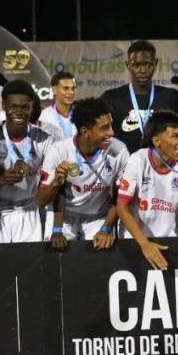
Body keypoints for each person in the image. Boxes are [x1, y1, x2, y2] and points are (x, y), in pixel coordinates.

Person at [117, 110, 178, 269]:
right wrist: (144, 244)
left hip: (167, 240)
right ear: (156, 141)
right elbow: (122, 207)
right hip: (134, 239)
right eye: (175, 136)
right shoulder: (138, 160)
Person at [37, 97, 128, 250]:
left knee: (100, 266)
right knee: (57, 266)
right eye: (104, 128)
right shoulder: (59, 151)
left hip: (98, 218)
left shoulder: (119, 151)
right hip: (63, 218)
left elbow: (120, 198)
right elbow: (40, 201)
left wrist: (106, 229)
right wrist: (56, 184)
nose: (111, 132)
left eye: (111, 126)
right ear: (85, 132)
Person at [0, 81, 53, 243]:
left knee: (29, 265)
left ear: (31, 107)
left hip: (27, 210)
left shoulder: (44, 139)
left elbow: (50, 183)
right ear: (4, 105)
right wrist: (0, 181)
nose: (19, 112)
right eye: (13, 106)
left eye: (24, 107)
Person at [101, 40, 178, 151]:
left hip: (164, 166)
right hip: (124, 166)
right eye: (137, 65)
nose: (142, 70)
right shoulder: (111, 98)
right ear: (128, 65)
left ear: (155, 63)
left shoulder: (171, 97)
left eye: (147, 64)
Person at [38, 71, 77, 142]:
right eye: (66, 88)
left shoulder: (81, 115)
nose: (71, 92)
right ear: (54, 90)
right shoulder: (44, 116)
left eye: (73, 88)